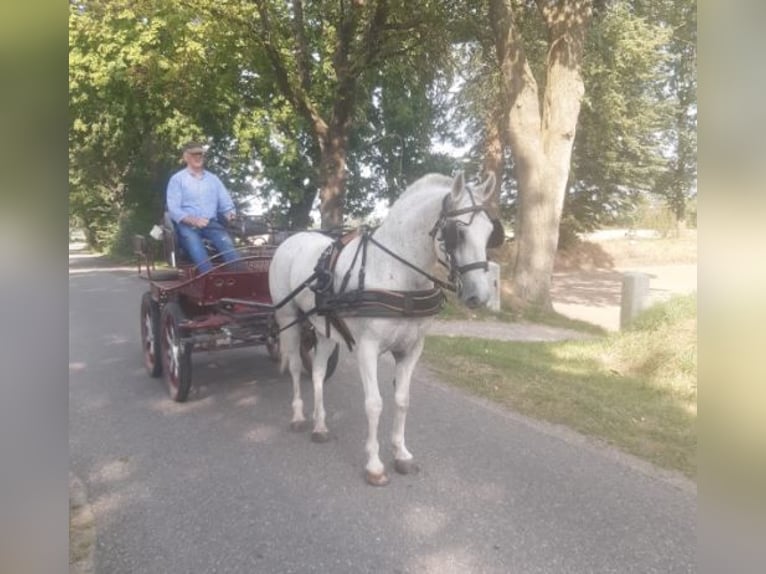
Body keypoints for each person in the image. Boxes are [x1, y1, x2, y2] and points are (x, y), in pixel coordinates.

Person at [166, 141, 242, 273]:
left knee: (228, 245)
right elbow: (174, 210)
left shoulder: (214, 180)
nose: (198, 157)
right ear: (186, 157)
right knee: (196, 247)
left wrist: (230, 214)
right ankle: (210, 279)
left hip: (211, 224)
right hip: (187, 226)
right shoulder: (177, 180)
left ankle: (242, 278)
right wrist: (194, 220)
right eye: (194, 154)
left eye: (200, 154)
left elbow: (226, 205)